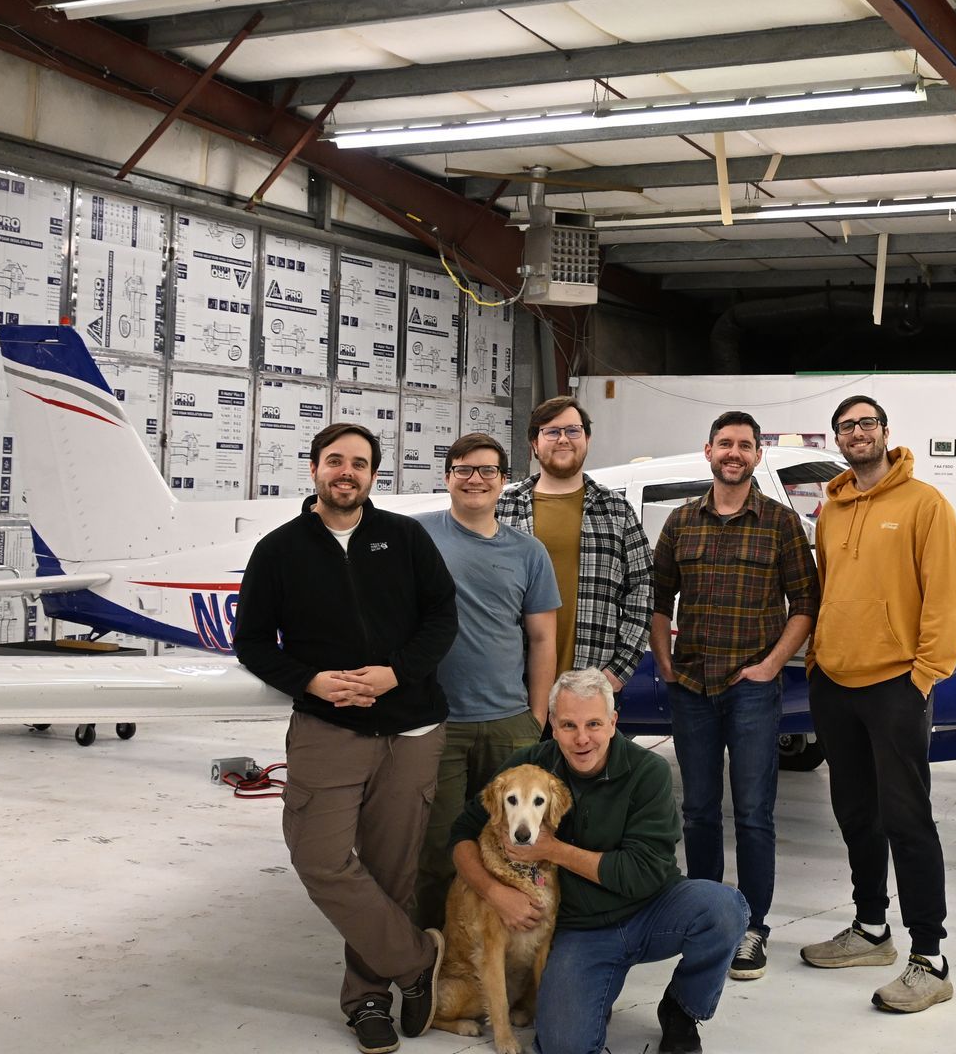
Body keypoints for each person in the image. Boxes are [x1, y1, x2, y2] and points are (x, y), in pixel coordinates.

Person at [234, 422, 457, 1054]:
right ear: (313, 470)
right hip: (328, 728)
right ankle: (415, 962)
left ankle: (365, 999)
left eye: (360, 463)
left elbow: (444, 615)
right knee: (320, 858)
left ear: (372, 477)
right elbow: (251, 642)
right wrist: (311, 682)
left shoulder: (405, 537)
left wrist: (396, 673)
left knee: (390, 874)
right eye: (336, 461)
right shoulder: (279, 551)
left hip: (412, 727)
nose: (347, 472)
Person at [449, 669, 748, 1054]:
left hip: (652, 910)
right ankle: (593, 994)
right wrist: (493, 892)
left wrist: (553, 850)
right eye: (569, 725)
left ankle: (681, 1009)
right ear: (553, 727)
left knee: (724, 909)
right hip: (581, 932)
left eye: (593, 723)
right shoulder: (529, 769)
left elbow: (641, 873)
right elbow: (461, 834)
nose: (582, 738)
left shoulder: (648, 773)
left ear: (613, 723)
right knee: (564, 1045)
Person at [798, 395, 956, 1015]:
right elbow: (826, 591)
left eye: (867, 423)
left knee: (908, 820)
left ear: (886, 433)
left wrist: (924, 676)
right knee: (855, 813)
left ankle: (931, 959)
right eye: (846, 426)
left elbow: (948, 597)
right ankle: (871, 930)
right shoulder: (831, 509)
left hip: (896, 684)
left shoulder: (925, 505)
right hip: (835, 683)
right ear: (837, 439)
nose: (857, 433)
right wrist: (817, 659)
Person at [650, 410, 819, 981]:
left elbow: (806, 604)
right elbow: (658, 598)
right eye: (725, 443)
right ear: (708, 451)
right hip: (693, 687)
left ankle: (752, 927)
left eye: (745, 445)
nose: (734, 453)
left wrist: (772, 665)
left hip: (751, 689)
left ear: (757, 457)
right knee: (697, 812)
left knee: (753, 814)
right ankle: (705, 917)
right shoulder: (680, 523)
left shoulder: (779, 524)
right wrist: (666, 661)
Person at [412, 432, 560, 932]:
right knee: (438, 848)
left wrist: (535, 718)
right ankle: (432, 954)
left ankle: (507, 944)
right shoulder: (416, 537)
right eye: (464, 469)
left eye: (487, 471)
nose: (475, 479)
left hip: (509, 725)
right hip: (437, 724)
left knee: (515, 846)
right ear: (448, 476)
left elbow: (543, 639)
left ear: (504, 481)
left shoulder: (529, 552)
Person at [496, 397, 651, 693]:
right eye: (552, 432)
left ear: (587, 439)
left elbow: (641, 591)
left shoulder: (616, 510)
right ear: (534, 444)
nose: (563, 439)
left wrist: (617, 672)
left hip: (591, 686)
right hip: (512, 686)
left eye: (573, 431)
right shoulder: (504, 507)